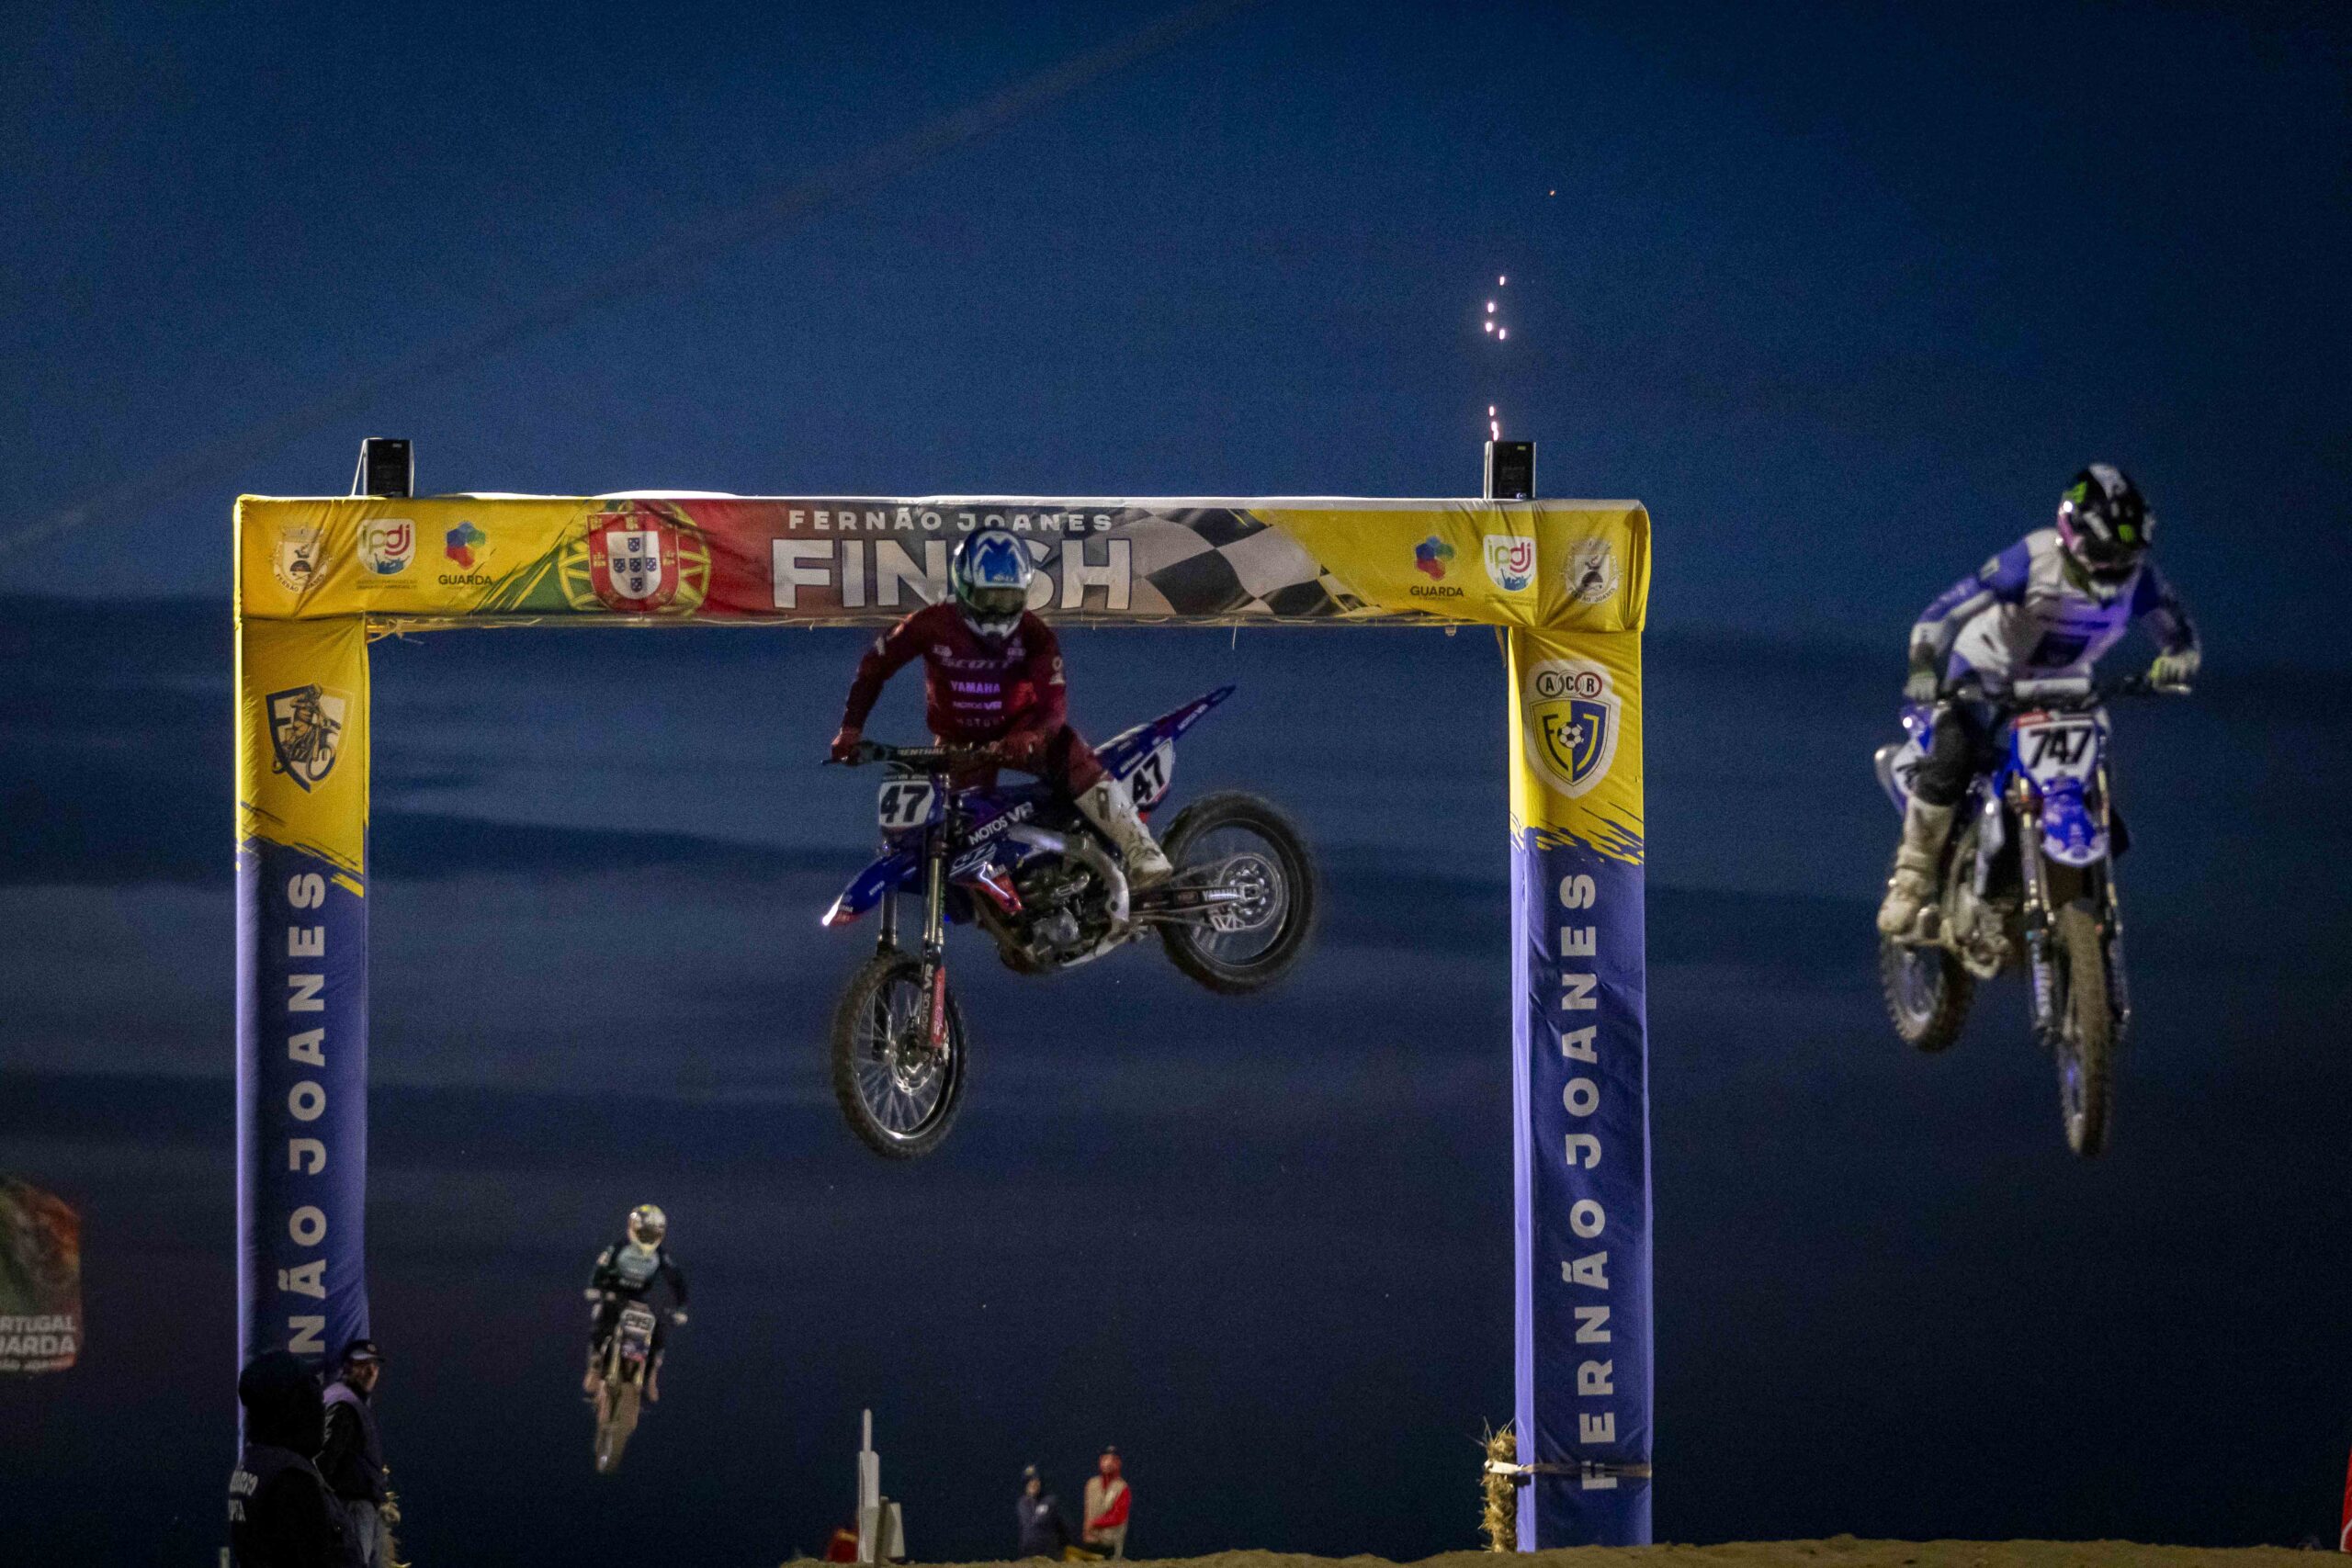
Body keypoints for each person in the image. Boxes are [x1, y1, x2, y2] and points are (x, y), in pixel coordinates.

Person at [1877, 465, 2200, 937]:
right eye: (2103, 550)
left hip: (2066, 685)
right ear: (2071, 533)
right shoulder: (2031, 559)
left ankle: (2045, 881)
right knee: (1956, 751)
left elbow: (2179, 635)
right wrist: (1925, 666)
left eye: (2126, 553)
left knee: (2092, 765)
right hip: (1987, 672)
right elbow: (1942, 613)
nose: (2114, 564)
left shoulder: (2141, 582)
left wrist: (2178, 660)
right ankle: (1912, 880)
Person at [829, 525, 1172, 887]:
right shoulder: (928, 625)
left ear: (1024, 593)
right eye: (987, 599)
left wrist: (1032, 734)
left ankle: (1141, 848)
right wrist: (851, 729)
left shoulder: (1036, 635)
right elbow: (872, 669)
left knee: (1075, 760)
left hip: (1024, 736)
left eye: (1007, 600)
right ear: (962, 589)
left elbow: (1055, 707)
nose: (996, 613)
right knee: (955, 841)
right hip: (959, 747)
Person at [228, 1349, 348, 1568]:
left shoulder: (255, 1462)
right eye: (314, 1399)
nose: (321, 1409)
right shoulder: (292, 1478)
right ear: (293, 1407)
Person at [583, 1202, 688, 1403]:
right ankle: (596, 1363)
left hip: (638, 1299)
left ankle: (650, 1375)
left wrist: (681, 1308)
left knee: (658, 1330)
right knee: (603, 1318)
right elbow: (601, 1268)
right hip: (613, 1294)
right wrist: (595, 1287)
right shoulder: (618, 1248)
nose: (646, 1239)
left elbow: (676, 1280)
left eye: (651, 1234)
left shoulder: (660, 1256)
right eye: (644, 1233)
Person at [318, 1340, 390, 1566]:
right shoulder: (344, 1404)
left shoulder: (351, 1401)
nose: (371, 1371)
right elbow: (324, 1461)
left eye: (375, 1365)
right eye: (363, 1364)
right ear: (347, 1367)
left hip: (358, 1508)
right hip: (352, 1508)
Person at [1015, 1464, 1075, 1560]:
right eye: (1029, 1481)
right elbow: (1029, 1528)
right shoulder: (1022, 1503)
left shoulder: (1051, 1501)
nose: (1033, 1483)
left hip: (1049, 1554)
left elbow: (1065, 1526)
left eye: (1036, 1480)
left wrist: (1063, 1546)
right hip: (1028, 1554)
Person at [1082, 1445, 1131, 1557]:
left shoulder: (1122, 1488)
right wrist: (1086, 1532)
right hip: (1091, 1540)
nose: (1108, 1463)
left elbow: (1118, 1517)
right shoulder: (1092, 1484)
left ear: (1119, 1463)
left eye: (1113, 1460)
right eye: (1105, 1459)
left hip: (1110, 1543)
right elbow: (1088, 1512)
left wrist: (1094, 1524)